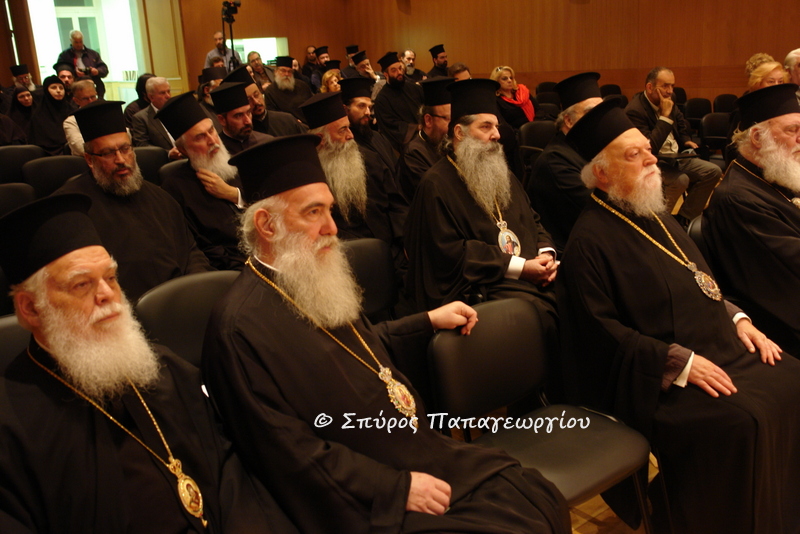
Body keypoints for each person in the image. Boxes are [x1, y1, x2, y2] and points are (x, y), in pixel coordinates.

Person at [202, 133, 571, 534]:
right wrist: (393, 488)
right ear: (266, 224)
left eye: (330, 210)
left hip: (410, 448)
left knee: (532, 493)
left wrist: (427, 320)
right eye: (313, 212)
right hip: (355, 497)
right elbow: (284, 452)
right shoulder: (238, 329)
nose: (332, 228)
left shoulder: (307, 276)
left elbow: (361, 349)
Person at [559, 97, 800, 533]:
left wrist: (740, 321)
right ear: (602, 173)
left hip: (720, 345)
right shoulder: (588, 242)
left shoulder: (652, 212)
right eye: (634, 155)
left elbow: (702, 282)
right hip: (661, 378)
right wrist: (679, 362)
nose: (652, 159)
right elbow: (602, 335)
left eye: (648, 149)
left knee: (793, 377)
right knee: (743, 421)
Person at [0, 194, 296, 533]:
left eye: (111, 278)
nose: (107, 294)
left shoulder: (164, 367)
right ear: (30, 308)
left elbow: (229, 466)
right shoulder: (9, 428)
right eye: (82, 284)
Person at [404, 79, 558, 327]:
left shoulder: (501, 172)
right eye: (486, 127)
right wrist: (520, 267)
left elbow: (533, 218)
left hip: (526, 273)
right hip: (480, 286)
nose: (496, 134)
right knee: (543, 313)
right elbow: (450, 254)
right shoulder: (435, 185)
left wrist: (546, 253)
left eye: (496, 126)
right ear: (459, 132)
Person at [54, 100, 211, 301]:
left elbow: (191, 252)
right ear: (89, 160)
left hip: (182, 303)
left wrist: (198, 289)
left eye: (125, 148)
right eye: (108, 153)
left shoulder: (161, 197)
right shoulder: (70, 210)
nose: (120, 159)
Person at [703, 83, 800, 358]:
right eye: (792, 130)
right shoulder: (738, 200)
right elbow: (788, 269)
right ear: (757, 137)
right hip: (778, 329)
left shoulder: (776, 176)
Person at [300, 92, 408, 279]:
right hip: (344, 263)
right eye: (342, 131)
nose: (351, 135)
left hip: (392, 255)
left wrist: (404, 244)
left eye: (349, 128)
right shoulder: (307, 178)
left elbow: (396, 205)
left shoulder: (369, 160)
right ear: (320, 139)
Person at [156, 91, 249, 271]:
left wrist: (233, 194)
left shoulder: (240, 163)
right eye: (200, 137)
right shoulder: (175, 189)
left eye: (211, 130)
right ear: (183, 150)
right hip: (229, 270)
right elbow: (199, 249)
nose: (213, 140)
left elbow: (269, 207)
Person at [625, 66, 722, 227]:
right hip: (653, 161)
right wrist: (664, 117)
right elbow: (650, 147)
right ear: (650, 87)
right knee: (680, 180)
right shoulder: (635, 111)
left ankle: (685, 219)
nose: (670, 91)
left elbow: (682, 124)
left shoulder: (670, 100)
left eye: (672, 86)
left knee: (712, 171)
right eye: (665, 86)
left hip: (676, 156)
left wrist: (685, 140)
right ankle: (658, 223)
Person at [527, 72, 603, 252]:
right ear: (568, 120)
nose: (600, 118)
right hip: (572, 251)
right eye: (591, 113)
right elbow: (601, 207)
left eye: (602, 111)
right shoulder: (555, 161)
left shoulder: (592, 148)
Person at [398, 77, 452, 201]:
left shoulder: (447, 143)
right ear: (428, 120)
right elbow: (435, 196)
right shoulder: (413, 154)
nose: (454, 126)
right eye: (448, 119)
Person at [222, 65, 307, 137]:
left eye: (256, 95)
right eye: (248, 99)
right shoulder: (244, 132)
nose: (256, 102)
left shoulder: (287, 120)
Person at [373, 52, 425, 151]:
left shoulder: (415, 88)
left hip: (426, 136)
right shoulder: (382, 100)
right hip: (407, 147)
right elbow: (390, 126)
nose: (399, 72)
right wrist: (416, 128)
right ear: (386, 74)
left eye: (400, 68)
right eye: (394, 70)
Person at [211, 82, 272, 155]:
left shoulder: (267, 142)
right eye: (238, 116)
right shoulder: (216, 152)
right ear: (222, 120)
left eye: (248, 112)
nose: (248, 121)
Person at [131, 77, 182, 160]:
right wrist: (168, 153)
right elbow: (142, 145)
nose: (168, 96)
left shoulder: (178, 110)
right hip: (163, 161)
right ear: (151, 97)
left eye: (168, 91)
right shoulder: (141, 118)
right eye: (162, 93)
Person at [56, 30, 109, 99]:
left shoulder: (93, 54)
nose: (79, 44)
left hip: (95, 86)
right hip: (74, 89)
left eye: (80, 42)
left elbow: (104, 69)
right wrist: (74, 72)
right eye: (76, 42)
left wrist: (97, 71)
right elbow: (60, 71)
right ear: (71, 40)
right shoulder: (64, 55)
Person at [28, 75, 71, 156]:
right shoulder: (38, 115)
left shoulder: (72, 110)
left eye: (61, 88)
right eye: (53, 87)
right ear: (46, 90)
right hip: (48, 157)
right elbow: (38, 143)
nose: (58, 91)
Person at [264, 56, 314, 124]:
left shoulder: (302, 86)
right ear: (276, 72)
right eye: (283, 71)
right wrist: (292, 121)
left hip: (308, 123)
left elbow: (312, 105)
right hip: (286, 125)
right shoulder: (270, 91)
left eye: (289, 71)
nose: (286, 74)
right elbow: (273, 115)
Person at [490, 65, 534, 130]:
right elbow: (502, 123)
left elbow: (538, 110)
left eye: (511, 78)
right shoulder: (495, 100)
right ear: (496, 81)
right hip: (514, 132)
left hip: (534, 127)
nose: (509, 80)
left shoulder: (522, 92)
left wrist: (536, 125)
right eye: (504, 79)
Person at [63, 79, 98, 156]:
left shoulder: (106, 114)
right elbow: (80, 148)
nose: (91, 101)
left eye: (93, 97)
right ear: (76, 101)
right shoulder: (71, 122)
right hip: (86, 160)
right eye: (85, 99)